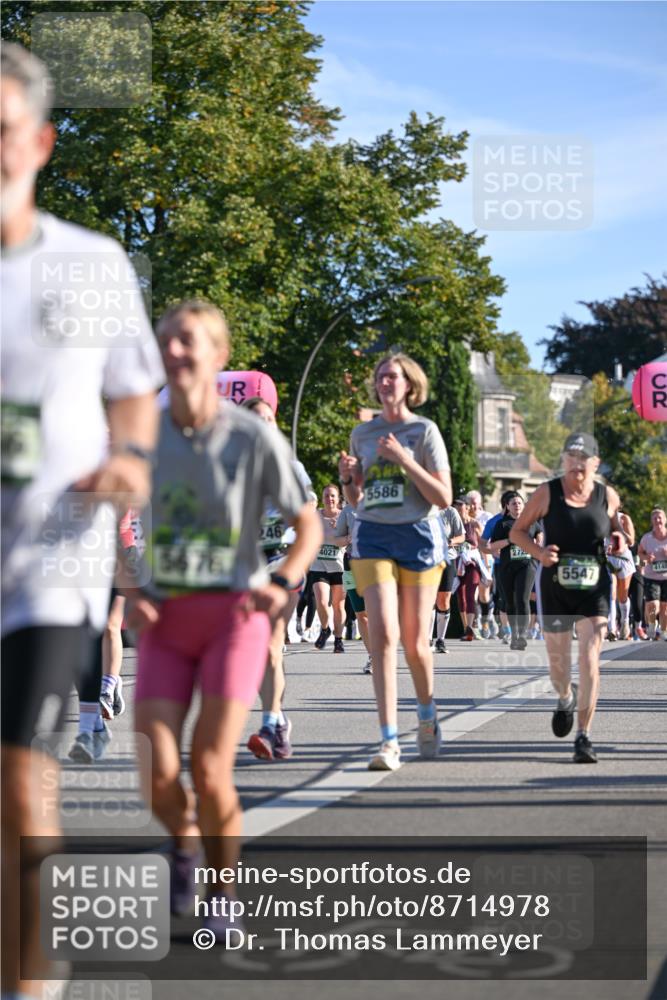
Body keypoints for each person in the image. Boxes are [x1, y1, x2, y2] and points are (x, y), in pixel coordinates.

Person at [1, 42, 164, 999]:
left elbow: (132, 391)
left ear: (41, 142)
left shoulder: (89, 263)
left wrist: (130, 459)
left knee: (23, 781)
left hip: (49, 568)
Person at [124, 301, 320, 937]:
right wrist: (130, 586)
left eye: (188, 342)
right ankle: (183, 842)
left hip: (233, 617)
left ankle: (222, 893)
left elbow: (307, 523)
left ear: (218, 356)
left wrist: (285, 579)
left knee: (209, 768)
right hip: (166, 618)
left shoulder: (251, 435)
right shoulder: (143, 431)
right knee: (157, 772)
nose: (175, 353)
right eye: (167, 343)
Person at [339, 352, 452, 771]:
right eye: (381, 376)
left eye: (394, 377)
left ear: (410, 385)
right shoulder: (362, 433)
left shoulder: (423, 431)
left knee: (415, 643)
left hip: (418, 537)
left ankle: (426, 713)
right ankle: (388, 741)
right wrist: (349, 478)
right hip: (372, 536)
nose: (386, 382)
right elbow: (357, 499)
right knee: (383, 638)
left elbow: (442, 497)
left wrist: (405, 460)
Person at [510, 432, 627, 764]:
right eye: (570, 456)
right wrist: (538, 551)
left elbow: (617, 530)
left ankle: (583, 736)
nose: (576, 463)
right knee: (559, 666)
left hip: (595, 586)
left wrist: (619, 538)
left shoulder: (608, 496)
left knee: (590, 657)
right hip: (556, 586)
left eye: (583, 457)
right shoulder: (547, 493)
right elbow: (517, 531)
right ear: (563, 460)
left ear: (595, 463)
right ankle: (565, 697)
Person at [242, 396, 313, 760]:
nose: (264, 424)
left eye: (269, 418)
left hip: (283, 562)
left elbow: (309, 515)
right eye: (256, 419)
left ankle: (270, 724)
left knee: (270, 640)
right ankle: (279, 720)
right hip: (247, 566)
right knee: (255, 648)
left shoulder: (291, 466)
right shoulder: (232, 466)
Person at [488, 492, 541, 651]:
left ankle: (522, 635)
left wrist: (538, 543)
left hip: (527, 565)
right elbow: (493, 546)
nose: (517, 505)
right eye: (513, 503)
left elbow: (540, 534)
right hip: (507, 567)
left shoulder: (531, 522)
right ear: (508, 507)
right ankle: (515, 636)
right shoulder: (502, 524)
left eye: (519, 503)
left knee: (522, 598)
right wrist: (510, 541)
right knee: (510, 602)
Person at [307, 485, 349, 653]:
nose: (329, 499)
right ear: (322, 498)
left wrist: (339, 535)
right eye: (326, 496)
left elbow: (352, 537)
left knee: (339, 606)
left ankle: (338, 639)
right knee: (322, 602)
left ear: (338, 498)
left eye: (332, 496)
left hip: (339, 566)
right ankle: (325, 629)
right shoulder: (315, 516)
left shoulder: (344, 515)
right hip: (319, 565)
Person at [434, 503, 465, 653]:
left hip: (447, 558)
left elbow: (462, 536)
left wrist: (451, 541)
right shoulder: (421, 509)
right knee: (428, 599)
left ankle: (440, 639)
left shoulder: (450, 511)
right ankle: (426, 639)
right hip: (427, 559)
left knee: (444, 599)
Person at [466, 491, 496, 637]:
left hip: (486, 557)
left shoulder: (487, 517)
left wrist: (488, 560)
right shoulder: (464, 517)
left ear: (481, 502)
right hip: (470, 559)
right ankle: (476, 622)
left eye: (476, 502)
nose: (473, 505)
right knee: (473, 593)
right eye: (470, 502)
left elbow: (490, 539)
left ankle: (488, 619)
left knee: (484, 594)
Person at [638, 508, 667, 640]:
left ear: (665, 520)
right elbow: (640, 553)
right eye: (654, 518)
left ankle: (664, 631)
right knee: (653, 605)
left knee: (665, 607)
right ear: (651, 522)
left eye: (660, 517)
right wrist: (646, 559)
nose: (657, 520)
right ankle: (651, 625)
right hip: (651, 576)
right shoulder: (646, 538)